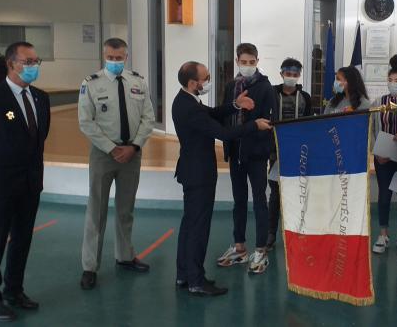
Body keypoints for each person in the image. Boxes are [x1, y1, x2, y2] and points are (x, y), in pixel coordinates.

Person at [172, 61, 271, 296]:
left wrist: (235, 105)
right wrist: (253, 126)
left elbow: (214, 113)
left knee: (189, 224)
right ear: (192, 83)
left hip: (192, 171)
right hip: (199, 175)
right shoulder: (189, 108)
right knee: (198, 227)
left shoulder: (186, 100)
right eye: (205, 78)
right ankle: (196, 281)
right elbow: (223, 133)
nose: (208, 81)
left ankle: (184, 274)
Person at [0, 41, 51, 321]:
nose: (33, 67)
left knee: (22, 240)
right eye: (27, 62)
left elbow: (38, 140)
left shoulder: (41, 98)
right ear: (10, 64)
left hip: (30, 184)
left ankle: (14, 289)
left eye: (35, 61)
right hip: (0, 187)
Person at [77, 38, 156, 290]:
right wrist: (112, 148)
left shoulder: (138, 82)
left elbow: (148, 117)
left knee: (126, 209)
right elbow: (85, 122)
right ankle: (90, 266)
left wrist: (134, 147)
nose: (114, 62)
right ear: (104, 56)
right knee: (96, 211)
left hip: (131, 154)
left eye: (118, 58)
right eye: (110, 58)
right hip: (103, 154)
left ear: (126, 56)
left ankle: (124, 256)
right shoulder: (91, 84)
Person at [215, 43, 276, 275]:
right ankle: (239, 246)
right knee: (238, 200)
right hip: (236, 152)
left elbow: (271, 123)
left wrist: (263, 146)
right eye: (244, 62)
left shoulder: (266, 88)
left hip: (257, 154)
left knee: (259, 199)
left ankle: (261, 249)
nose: (248, 66)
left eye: (252, 62)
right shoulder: (231, 86)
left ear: (257, 61)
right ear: (237, 61)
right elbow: (225, 114)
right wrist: (228, 145)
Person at [266, 58, 313, 249]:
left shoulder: (305, 97)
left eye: (295, 75)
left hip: (298, 152)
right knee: (276, 193)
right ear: (281, 73)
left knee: (297, 193)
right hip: (275, 152)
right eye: (288, 74)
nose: (291, 78)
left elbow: (309, 124)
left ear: (299, 75)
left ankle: (295, 232)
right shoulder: (270, 94)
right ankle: (271, 233)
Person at [370, 56, 397, 255]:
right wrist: (377, 152)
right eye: (391, 80)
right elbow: (372, 130)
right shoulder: (379, 102)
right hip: (383, 158)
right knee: (384, 195)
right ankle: (383, 232)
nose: (394, 83)